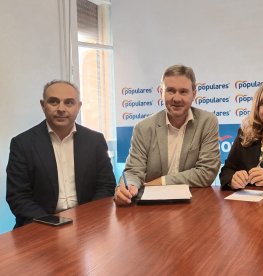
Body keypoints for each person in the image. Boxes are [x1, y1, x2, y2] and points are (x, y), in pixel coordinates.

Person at [6, 80, 116, 228]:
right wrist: (53, 223)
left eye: (69, 102)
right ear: (42, 105)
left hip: (87, 225)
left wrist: (88, 218)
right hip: (40, 226)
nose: (61, 109)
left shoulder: (95, 140)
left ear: (79, 106)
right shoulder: (22, 143)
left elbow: (106, 186)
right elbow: (18, 196)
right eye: (53, 102)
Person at [114, 64, 221, 205]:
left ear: (194, 94)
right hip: (153, 208)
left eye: (183, 92)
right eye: (170, 91)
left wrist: (162, 181)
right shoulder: (143, 128)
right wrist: (128, 187)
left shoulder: (207, 122)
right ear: (161, 92)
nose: (177, 98)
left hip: (195, 204)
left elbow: (207, 172)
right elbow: (133, 171)